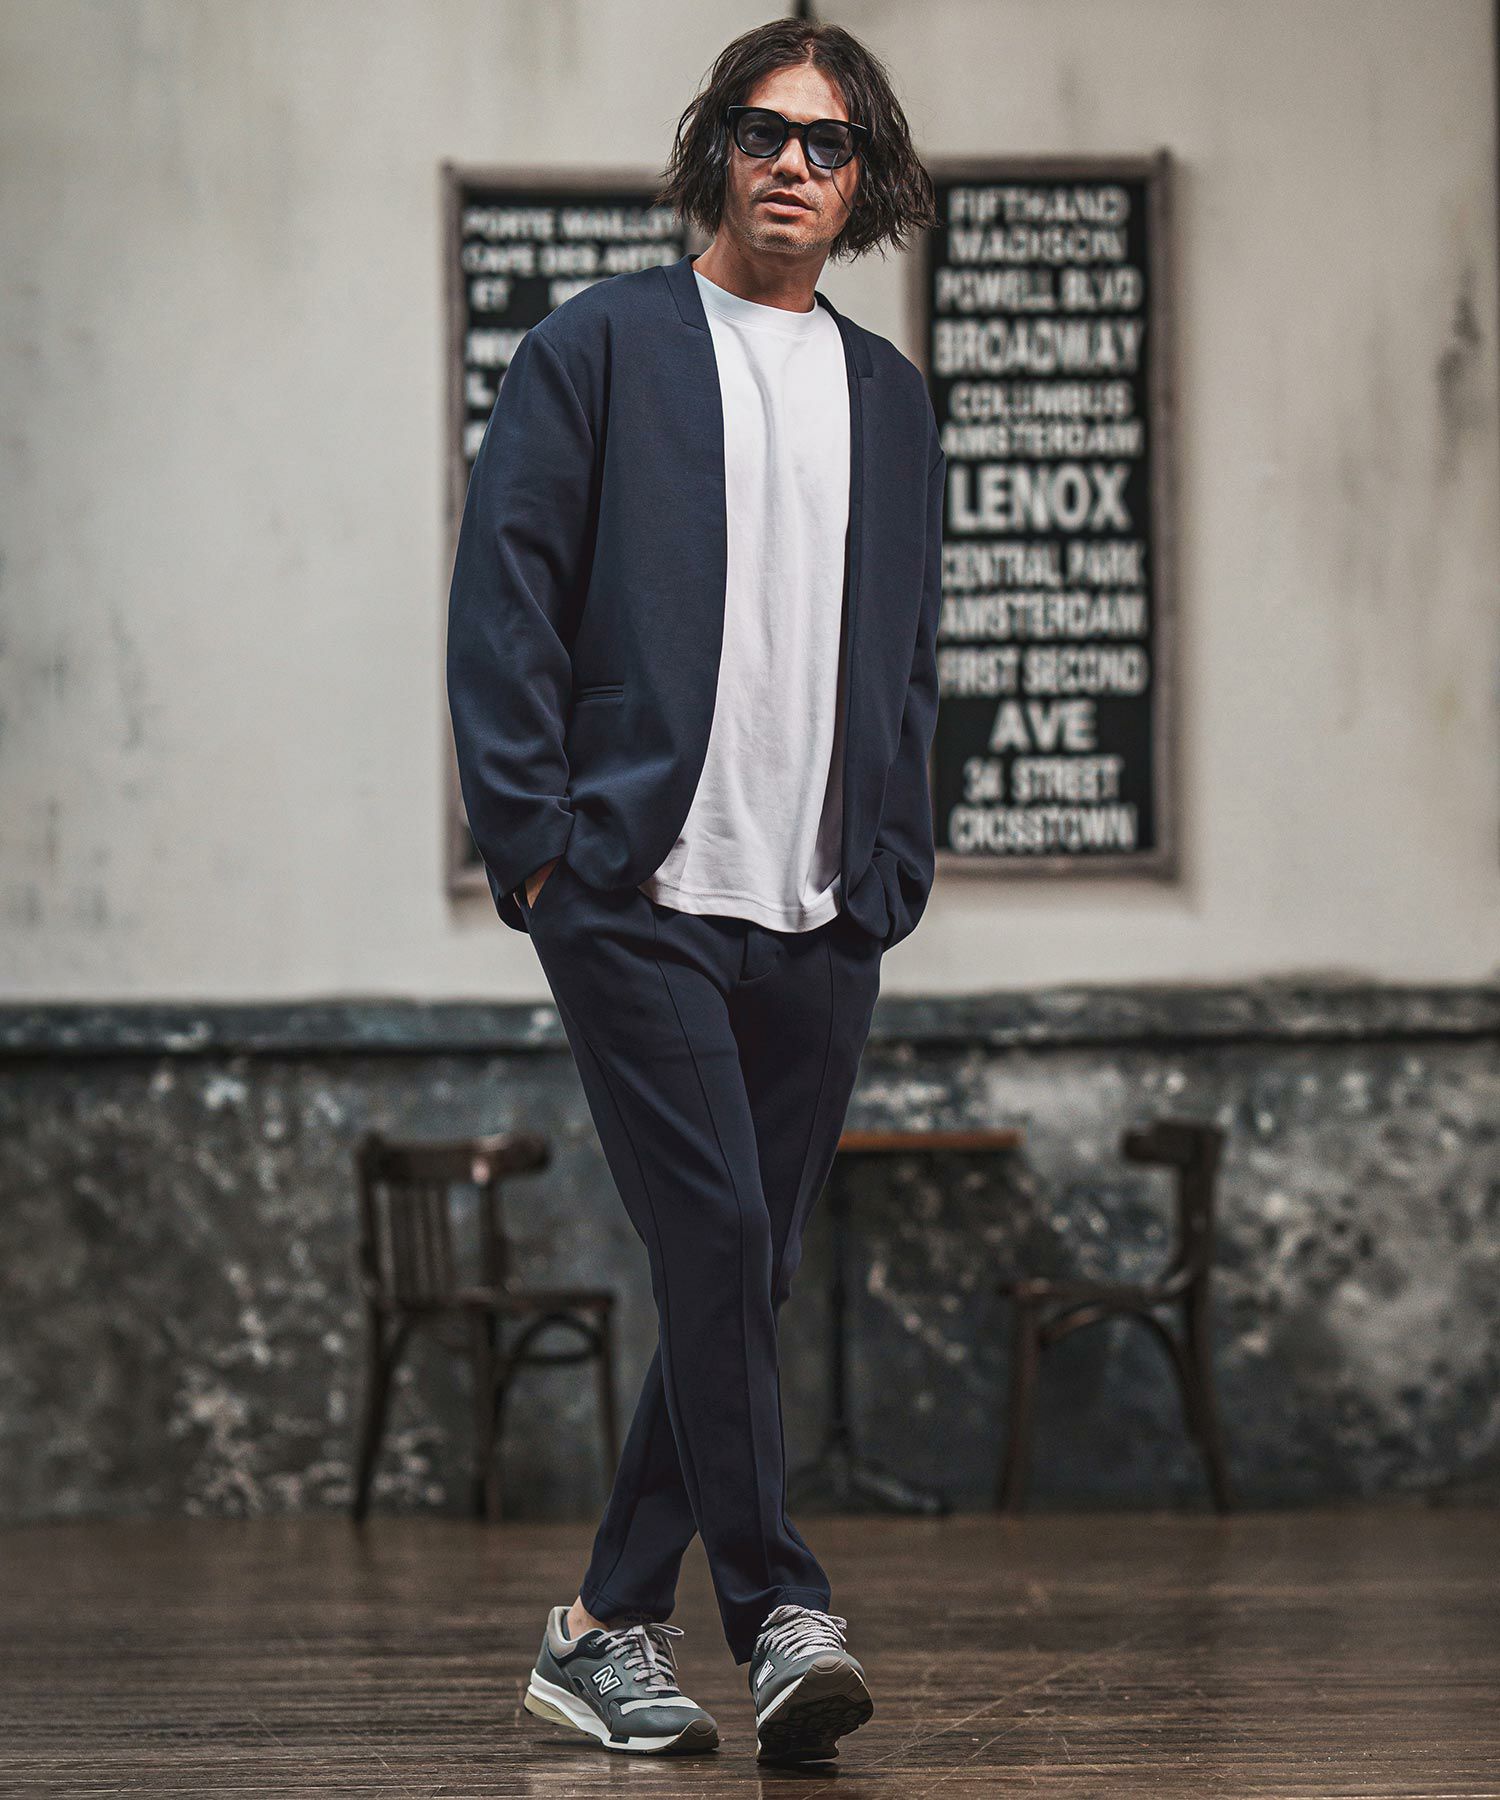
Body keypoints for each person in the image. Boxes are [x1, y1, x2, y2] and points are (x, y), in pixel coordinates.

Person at [446, 16, 943, 1765]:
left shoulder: (889, 396)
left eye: (827, 141)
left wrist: (893, 860)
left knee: (743, 1265)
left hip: (823, 906)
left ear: (861, 177)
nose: (792, 162)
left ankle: (598, 1631)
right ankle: (780, 1609)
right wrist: (540, 849)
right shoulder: (596, 349)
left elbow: (907, 655)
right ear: (714, 149)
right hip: (639, 884)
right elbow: (503, 605)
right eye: (762, 130)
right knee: (725, 1240)